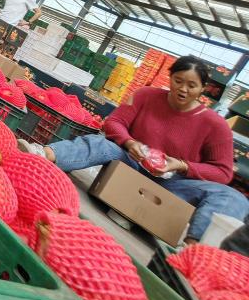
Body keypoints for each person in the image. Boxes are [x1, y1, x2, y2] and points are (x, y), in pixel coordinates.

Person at [23, 56, 249, 242]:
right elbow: (114, 122)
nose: (183, 89)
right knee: (102, 144)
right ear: (170, 77)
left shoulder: (215, 125)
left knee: (234, 198)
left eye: (192, 86)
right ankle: (42, 154)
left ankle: (193, 247)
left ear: (202, 89)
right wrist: (130, 143)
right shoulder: (146, 96)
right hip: (132, 164)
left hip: (172, 184)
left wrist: (182, 166)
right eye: (178, 81)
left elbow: (223, 172)